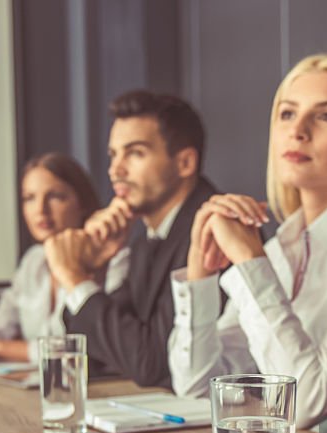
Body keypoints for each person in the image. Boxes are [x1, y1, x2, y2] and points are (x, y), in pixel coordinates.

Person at [167, 53, 327, 428]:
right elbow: (196, 387)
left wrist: (248, 261)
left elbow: (306, 403)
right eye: (287, 114)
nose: (298, 130)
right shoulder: (279, 249)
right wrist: (199, 274)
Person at [42, 90, 217, 387]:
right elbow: (94, 358)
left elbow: (151, 363)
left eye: (135, 153)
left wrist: (73, 278)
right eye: (113, 155)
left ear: (185, 162)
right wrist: (92, 272)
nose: (115, 170)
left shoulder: (213, 228)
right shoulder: (146, 240)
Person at [0, 153, 129, 365]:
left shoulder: (116, 262)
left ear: (82, 204)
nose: (40, 210)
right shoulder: (34, 261)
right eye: (29, 198)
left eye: (55, 197)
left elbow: (84, 351)